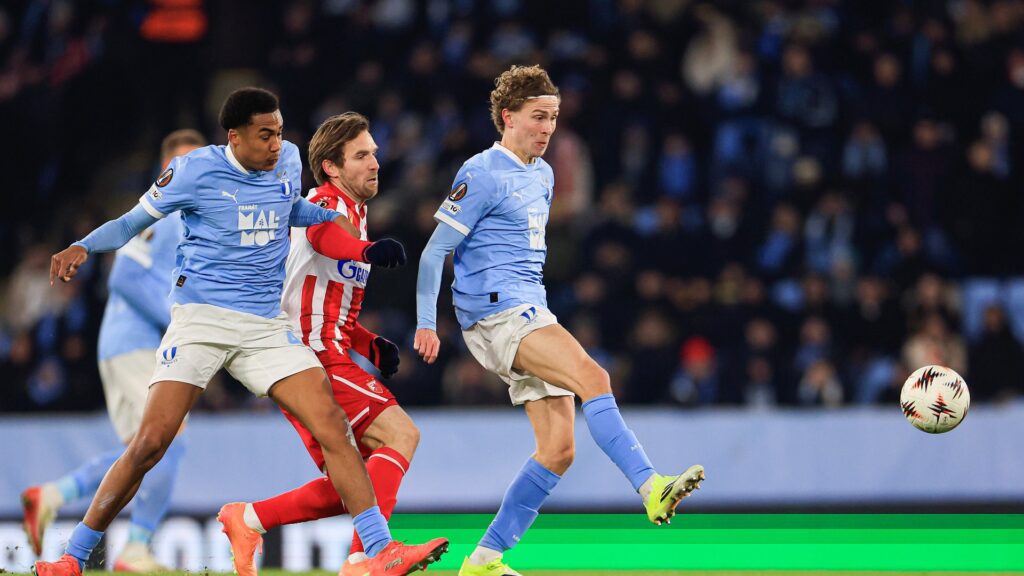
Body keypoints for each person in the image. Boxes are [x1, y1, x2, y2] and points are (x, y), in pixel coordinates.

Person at [35, 87, 447, 576]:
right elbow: (129, 224)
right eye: (265, 135)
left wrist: (328, 219)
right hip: (202, 319)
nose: (277, 144)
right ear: (234, 136)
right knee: (150, 444)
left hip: (264, 326)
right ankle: (73, 556)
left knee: (333, 425)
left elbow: (290, 208)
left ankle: (376, 550)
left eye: (280, 132)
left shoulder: (288, 160)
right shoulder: (194, 171)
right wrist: (82, 245)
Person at [415, 65, 705, 576]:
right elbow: (434, 251)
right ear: (508, 117)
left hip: (530, 308)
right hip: (497, 313)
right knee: (595, 377)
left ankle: (484, 559)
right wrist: (424, 321)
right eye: (538, 116)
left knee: (558, 450)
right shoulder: (481, 172)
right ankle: (650, 486)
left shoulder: (545, 175)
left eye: (553, 117)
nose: (548, 128)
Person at [218, 112, 420, 576]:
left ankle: (250, 518)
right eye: (361, 155)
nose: (375, 163)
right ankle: (366, 558)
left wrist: (368, 343)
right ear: (331, 167)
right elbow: (323, 237)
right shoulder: (324, 202)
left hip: (316, 353)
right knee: (401, 435)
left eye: (374, 153)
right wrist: (366, 251)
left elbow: (320, 300)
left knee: (354, 480)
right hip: (311, 358)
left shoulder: (357, 215)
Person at [21, 129, 206, 572]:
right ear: (164, 169)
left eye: (198, 162)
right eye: (181, 163)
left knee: (143, 452)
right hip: (136, 344)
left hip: (126, 345)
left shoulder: (178, 215)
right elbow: (123, 276)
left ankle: (55, 495)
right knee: (167, 443)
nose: (191, 172)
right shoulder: (167, 214)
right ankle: (136, 548)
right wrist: (178, 320)